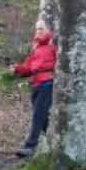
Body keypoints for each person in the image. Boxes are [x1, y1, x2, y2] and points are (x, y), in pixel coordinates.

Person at [13, 19, 57, 158]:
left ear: (49, 30)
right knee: (42, 118)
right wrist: (17, 69)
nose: (38, 31)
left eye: (41, 29)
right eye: (37, 29)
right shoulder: (36, 46)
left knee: (38, 114)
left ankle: (30, 146)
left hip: (48, 84)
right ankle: (56, 139)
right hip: (36, 84)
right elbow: (29, 67)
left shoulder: (54, 44)